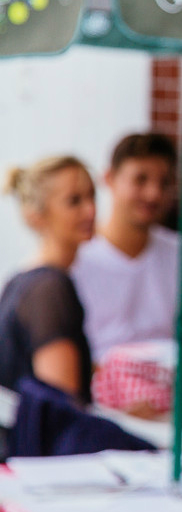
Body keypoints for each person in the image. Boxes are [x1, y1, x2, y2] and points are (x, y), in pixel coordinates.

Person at [72, 133, 182, 361]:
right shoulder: (76, 258)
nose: (154, 194)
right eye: (140, 179)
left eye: (164, 183)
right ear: (109, 178)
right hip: (98, 392)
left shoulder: (179, 254)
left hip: (170, 389)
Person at [1, 157, 97, 403]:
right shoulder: (49, 288)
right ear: (36, 216)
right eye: (74, 201)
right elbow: (61, 406)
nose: (91, 210)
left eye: (92, 196)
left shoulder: (22, 280)